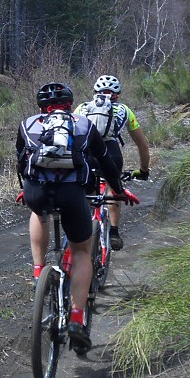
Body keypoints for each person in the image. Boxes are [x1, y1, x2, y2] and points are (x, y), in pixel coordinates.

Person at [16, 81, 138, 354]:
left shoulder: (28, 124)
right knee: (82, 252)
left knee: (39, 211)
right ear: (71, 105)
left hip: (37, 190)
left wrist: (25, 190)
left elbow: (21, 159)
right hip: (72, 194)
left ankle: (38, 271)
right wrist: (119, 190)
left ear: (40, 108)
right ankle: (76, 319)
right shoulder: (83, 125)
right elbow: (106, 162)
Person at [74, 74, 150, 251]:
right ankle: (114, 232)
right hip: (111, 153)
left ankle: (84, 227)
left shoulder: (82, 108)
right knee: (113, 188)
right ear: (118, 94)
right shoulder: (124, 110)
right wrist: (143, 170)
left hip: (86, 153)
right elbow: (143, 145)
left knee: (87, 191)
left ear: (94, 92)